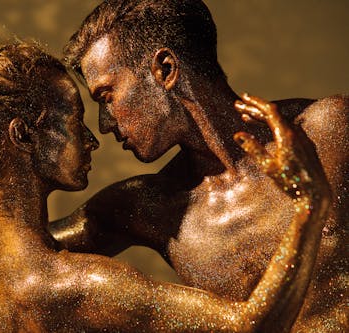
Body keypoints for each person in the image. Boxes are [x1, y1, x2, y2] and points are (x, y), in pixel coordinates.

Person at [0, 32, 331, 332]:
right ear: (24, 135)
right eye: (78, 117)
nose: (95, 135)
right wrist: (309, 204)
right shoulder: (77, 286)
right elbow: (251, 327)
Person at [49, 0, 348, 331]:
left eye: (107, 97)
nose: (105, 124)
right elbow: (15, 254)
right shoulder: (152, 208)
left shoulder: (327, 131)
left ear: (165, 69)